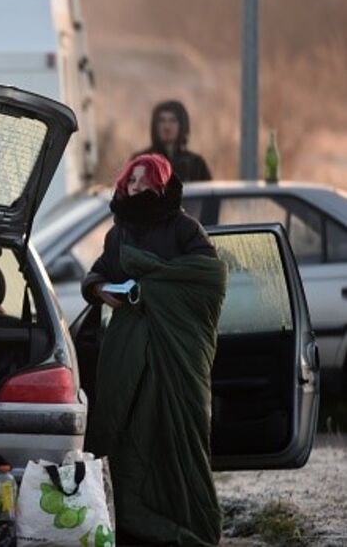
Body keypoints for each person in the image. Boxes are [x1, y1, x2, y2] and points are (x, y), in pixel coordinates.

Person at [82, 153, 227, 546]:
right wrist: (101, 291)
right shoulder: (119, 234)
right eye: (132, 182)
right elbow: (96, 275)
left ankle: (189, 525)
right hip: (130, 352)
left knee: (180, 436)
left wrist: (149, 289)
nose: (138, 189)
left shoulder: (184, 229)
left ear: (161, 186)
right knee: (127, 433)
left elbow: (208, 280)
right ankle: (128, 519)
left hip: (178, 353)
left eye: (146, 182)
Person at [136, 100, 212, 182]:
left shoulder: (196, 164)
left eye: (173, 120)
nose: (167, 126)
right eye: (162, 121)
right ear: (155, 126)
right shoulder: (141, 161)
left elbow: (207, 191)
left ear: (182, 125)